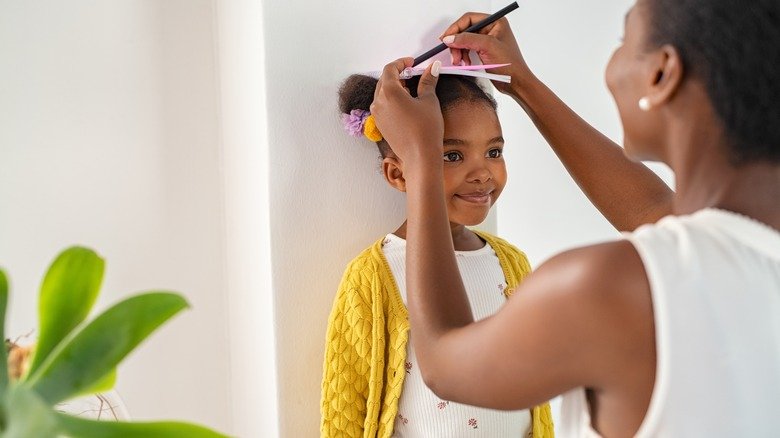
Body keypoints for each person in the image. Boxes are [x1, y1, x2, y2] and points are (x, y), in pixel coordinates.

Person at [369, 0, 780, 436]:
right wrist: (523, 84)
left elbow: (445, 363)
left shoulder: (609, 285)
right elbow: (654, 212)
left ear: (661, 73)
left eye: (624, 41)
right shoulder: (751, 251)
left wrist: (423, 161)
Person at [320, 73, 554, 437]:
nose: (482, 173)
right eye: (452, 155)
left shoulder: (512, 264)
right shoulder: (373, 276)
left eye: (494, 151)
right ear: (398, 174)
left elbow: (533, 386)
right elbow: (346, 407)